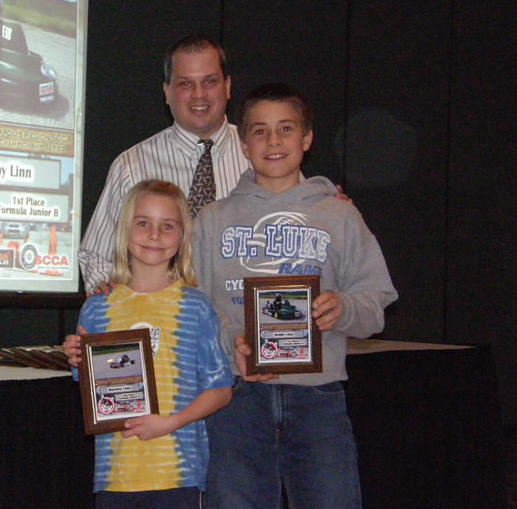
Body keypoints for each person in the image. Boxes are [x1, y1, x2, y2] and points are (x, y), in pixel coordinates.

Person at [192, 82, 398, 508]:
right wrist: (231, 340)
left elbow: (376, 299)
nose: (273, 141)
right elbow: (194, 307)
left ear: (306, 139)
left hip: (317, 398)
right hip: (234, 397)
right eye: (260, 131)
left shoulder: (340, 215)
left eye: (285, 129)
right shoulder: (211, 220)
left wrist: (343, 308)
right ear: (244, 145)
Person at [79, 33, 349, 294]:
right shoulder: (131, 166)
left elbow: (304, 231)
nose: (199, 95)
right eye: (186, 84)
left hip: (241, 317)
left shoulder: (264, 153)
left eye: (209, 81)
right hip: (159, 319)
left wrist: (331, 212)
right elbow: (97, 257)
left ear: (228, 87)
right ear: (167, 92)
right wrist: (114, 307)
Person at [64, 179, 233, 508]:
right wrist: (76, 358)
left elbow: (221, 389)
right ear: (124, 230)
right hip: (116, 475)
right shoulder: (97, 307)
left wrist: (169, 423)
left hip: (178, 474)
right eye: (142, 223)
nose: (154, 235)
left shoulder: (196, 307)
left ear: (182, 236)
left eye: (167, 226)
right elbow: (92, 388)